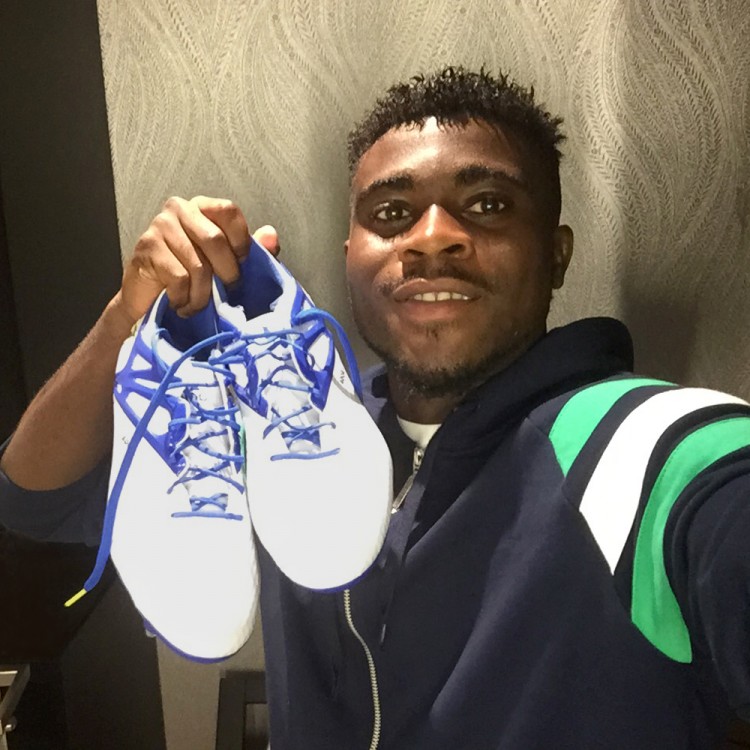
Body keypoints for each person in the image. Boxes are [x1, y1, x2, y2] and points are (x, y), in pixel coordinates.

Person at [1, 65, 749, 749]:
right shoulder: (274, 423)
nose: (433, 238)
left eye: (487, 205)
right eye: (392, 213)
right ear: (350, 256)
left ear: (556, 254)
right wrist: (124, 320)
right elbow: (34, 502)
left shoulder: (662, 452)